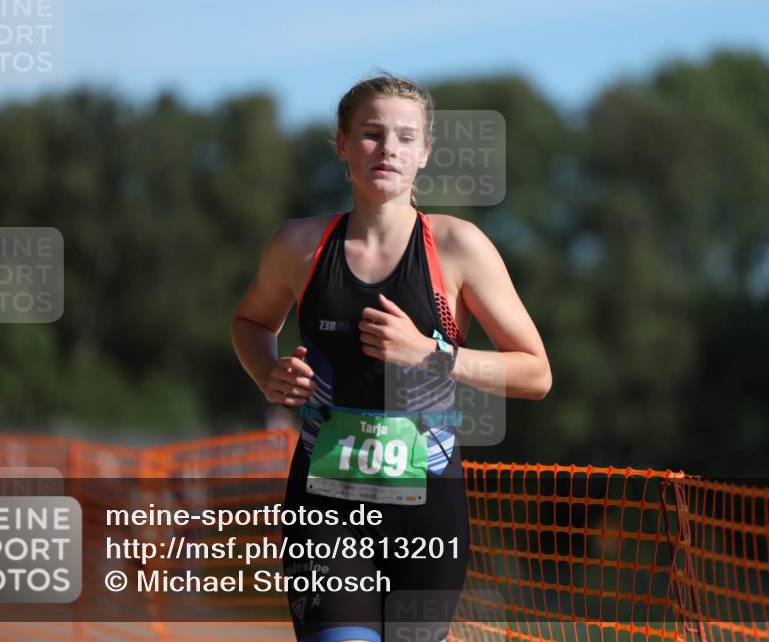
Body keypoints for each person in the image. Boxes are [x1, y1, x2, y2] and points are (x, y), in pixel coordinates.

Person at [231, 71, 551, 642]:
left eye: (406, 137)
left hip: (426, 515)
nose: (388, 150)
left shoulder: (458, 247)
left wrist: (432, 355)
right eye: (372, 134)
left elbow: (535, 372)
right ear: (343, 144)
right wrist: (267, 374)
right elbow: (251, 322)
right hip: (325, 510)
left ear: (425, 153)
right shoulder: (300, 246)